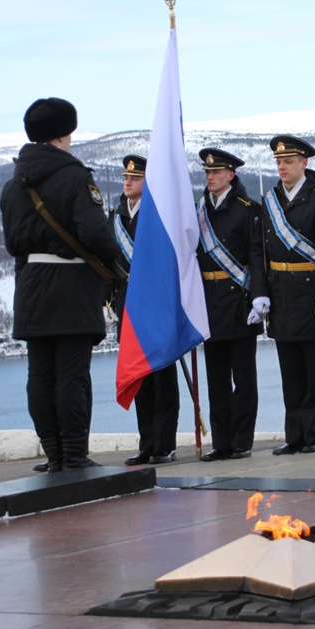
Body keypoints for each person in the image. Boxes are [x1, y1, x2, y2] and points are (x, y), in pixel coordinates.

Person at [0, 97, 118, 471]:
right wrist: (115, 264)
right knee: (72, 376)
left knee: (41, 376)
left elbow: (13, 244)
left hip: (32, 287)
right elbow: (95, 234)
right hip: (70, 286)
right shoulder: (76, 178)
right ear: (67, 134)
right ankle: (73, 454)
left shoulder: (12, 186)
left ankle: (53, 454)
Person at [250, 135, 315, 455]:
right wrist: (260, 293)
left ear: (304, 163)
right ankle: (294, 435)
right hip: (281, 293)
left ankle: (313, 434)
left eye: (288, 161)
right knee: (290, 372)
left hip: (311, 292)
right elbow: (258, 253)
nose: (282, 167)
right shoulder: (269, 200)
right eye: (278, 162)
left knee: (314, 371)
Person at [194, 147, 264, 461]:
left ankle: (241, 441)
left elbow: (257, 259)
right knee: (217, 380)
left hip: (239, 302)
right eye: (207, 172)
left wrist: (259, 297)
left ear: (230, 175)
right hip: (208, 303)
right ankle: (221, 442)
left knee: (244, 380)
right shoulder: (196, 211)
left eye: (216, 172)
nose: (210, 177)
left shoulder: (249, 209)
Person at [111, 155, 180, 466]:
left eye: (134, 178)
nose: (127, 182)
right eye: (126, 177)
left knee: (162, 378)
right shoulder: (114, 217)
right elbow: (107, 262)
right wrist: (108, 301)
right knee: (140, 379)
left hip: (156, 305)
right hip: (128, 307)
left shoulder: (158, 215)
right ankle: (147, 442)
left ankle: (165, 445)